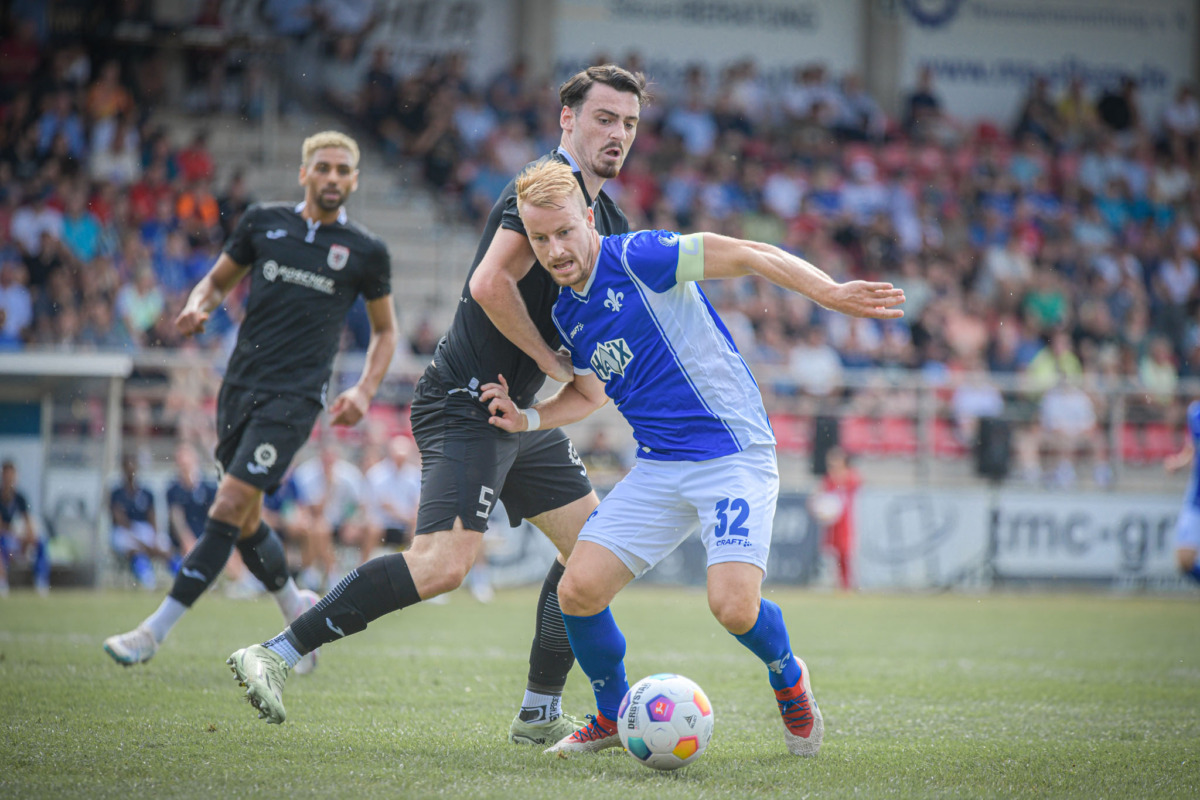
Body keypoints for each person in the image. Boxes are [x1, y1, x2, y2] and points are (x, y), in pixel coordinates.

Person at [224, 66, 650, 746]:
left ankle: (541, 711)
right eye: (604, 118)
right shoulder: (543, 187)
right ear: (568, 119)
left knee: (592, 554)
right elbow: (488, 284)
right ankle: (274, 652)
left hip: (516, 413)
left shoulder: (610, 218)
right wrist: (550, 362)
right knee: (442, 565)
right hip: (464, 399)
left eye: (628, 123)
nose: (617, 134)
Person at [479, 159, 905, 757]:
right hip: (660, 466)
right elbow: (587, 394)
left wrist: (830, 293)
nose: (554, 249)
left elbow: (752, 253)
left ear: (587, 217)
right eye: (540, 238)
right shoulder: (566, 313)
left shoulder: (639, 257)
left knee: (732, 606)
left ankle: (788, 677)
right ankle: (611, 715)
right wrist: (528, 418)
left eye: (564, 231)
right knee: (576, 591)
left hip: (733, 453)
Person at [102, 131, 398, 675]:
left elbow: (385, 333)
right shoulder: (264, 223)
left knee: (226, 504)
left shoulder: (365, 251)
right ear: (304, 173)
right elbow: (214, 284)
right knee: (245, 520)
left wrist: (363, 389)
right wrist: (197, 308)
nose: (333, 178)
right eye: (323, 167)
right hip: (238, 390)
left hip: (296, 399)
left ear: (353, 180)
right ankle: (298, 614)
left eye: (342, 170)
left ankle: (153, 631)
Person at [291, 441, 369, 590]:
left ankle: (362, 572)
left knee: (373, 527)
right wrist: (328, 486)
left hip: (343, 521)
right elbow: (313, 510)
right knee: (320, 528)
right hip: (316, 522)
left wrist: (352, 522)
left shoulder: (349, 474)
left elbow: (359, 504)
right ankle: (331, 573)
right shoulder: (307, 474)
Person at [110, 454, 172, 589]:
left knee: (164, 547)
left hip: (144, 529)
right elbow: (119, 518)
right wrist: (142, 542)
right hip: (125, 530)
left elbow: (152, 516)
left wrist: (154, 537)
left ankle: (178, 576)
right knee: (133, 549)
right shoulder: (117, 492)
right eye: (127, 467)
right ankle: (147, 579)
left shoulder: (146, 492)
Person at [808, 446, 861, 591]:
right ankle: (832, 583)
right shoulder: (828, 479)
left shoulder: (849, 476)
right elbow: (817, 496)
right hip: (831, 524)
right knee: (831, 553)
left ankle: (847, 585)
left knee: (845, 554)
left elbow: (857, 483)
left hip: (845, 523)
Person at [1163, 400, 1200, 586]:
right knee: (1184, 560)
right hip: (1197, 498)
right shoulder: (1195, 412)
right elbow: (1193, 447)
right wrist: (1179, 462)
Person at [364, 435, 421, 552]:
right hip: (382, 523)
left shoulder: (414, 475)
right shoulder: (377, 474)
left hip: (406, 523)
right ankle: (363, 565)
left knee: (418, 531)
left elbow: (417, 503)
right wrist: (409, 519)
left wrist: (412, 520)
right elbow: (384, 506)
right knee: (373, 528)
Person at [0, 459, 49, 596]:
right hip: (5, 537)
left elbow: (27, 520)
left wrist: (29, 535)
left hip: (16, 538)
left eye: (12, 475)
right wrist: (15, 533)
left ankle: (41, 581)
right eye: (7, 475)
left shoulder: (20, 497)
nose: (10, 478)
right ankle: (2, 582)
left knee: (41, 542)